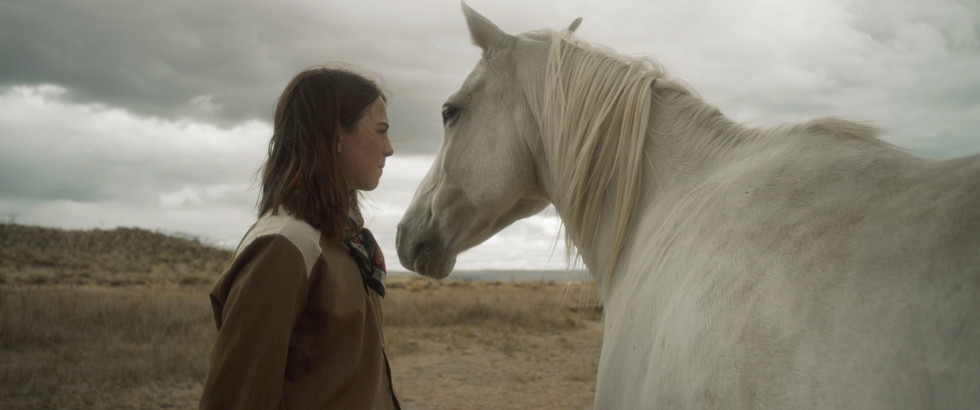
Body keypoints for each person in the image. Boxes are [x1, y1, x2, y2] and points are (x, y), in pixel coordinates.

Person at [200, 65, 399, 409]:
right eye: (380, 131)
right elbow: (237, 396)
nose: (389, 148)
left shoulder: (343, 241)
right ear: (335, 135)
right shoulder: (284, 246)